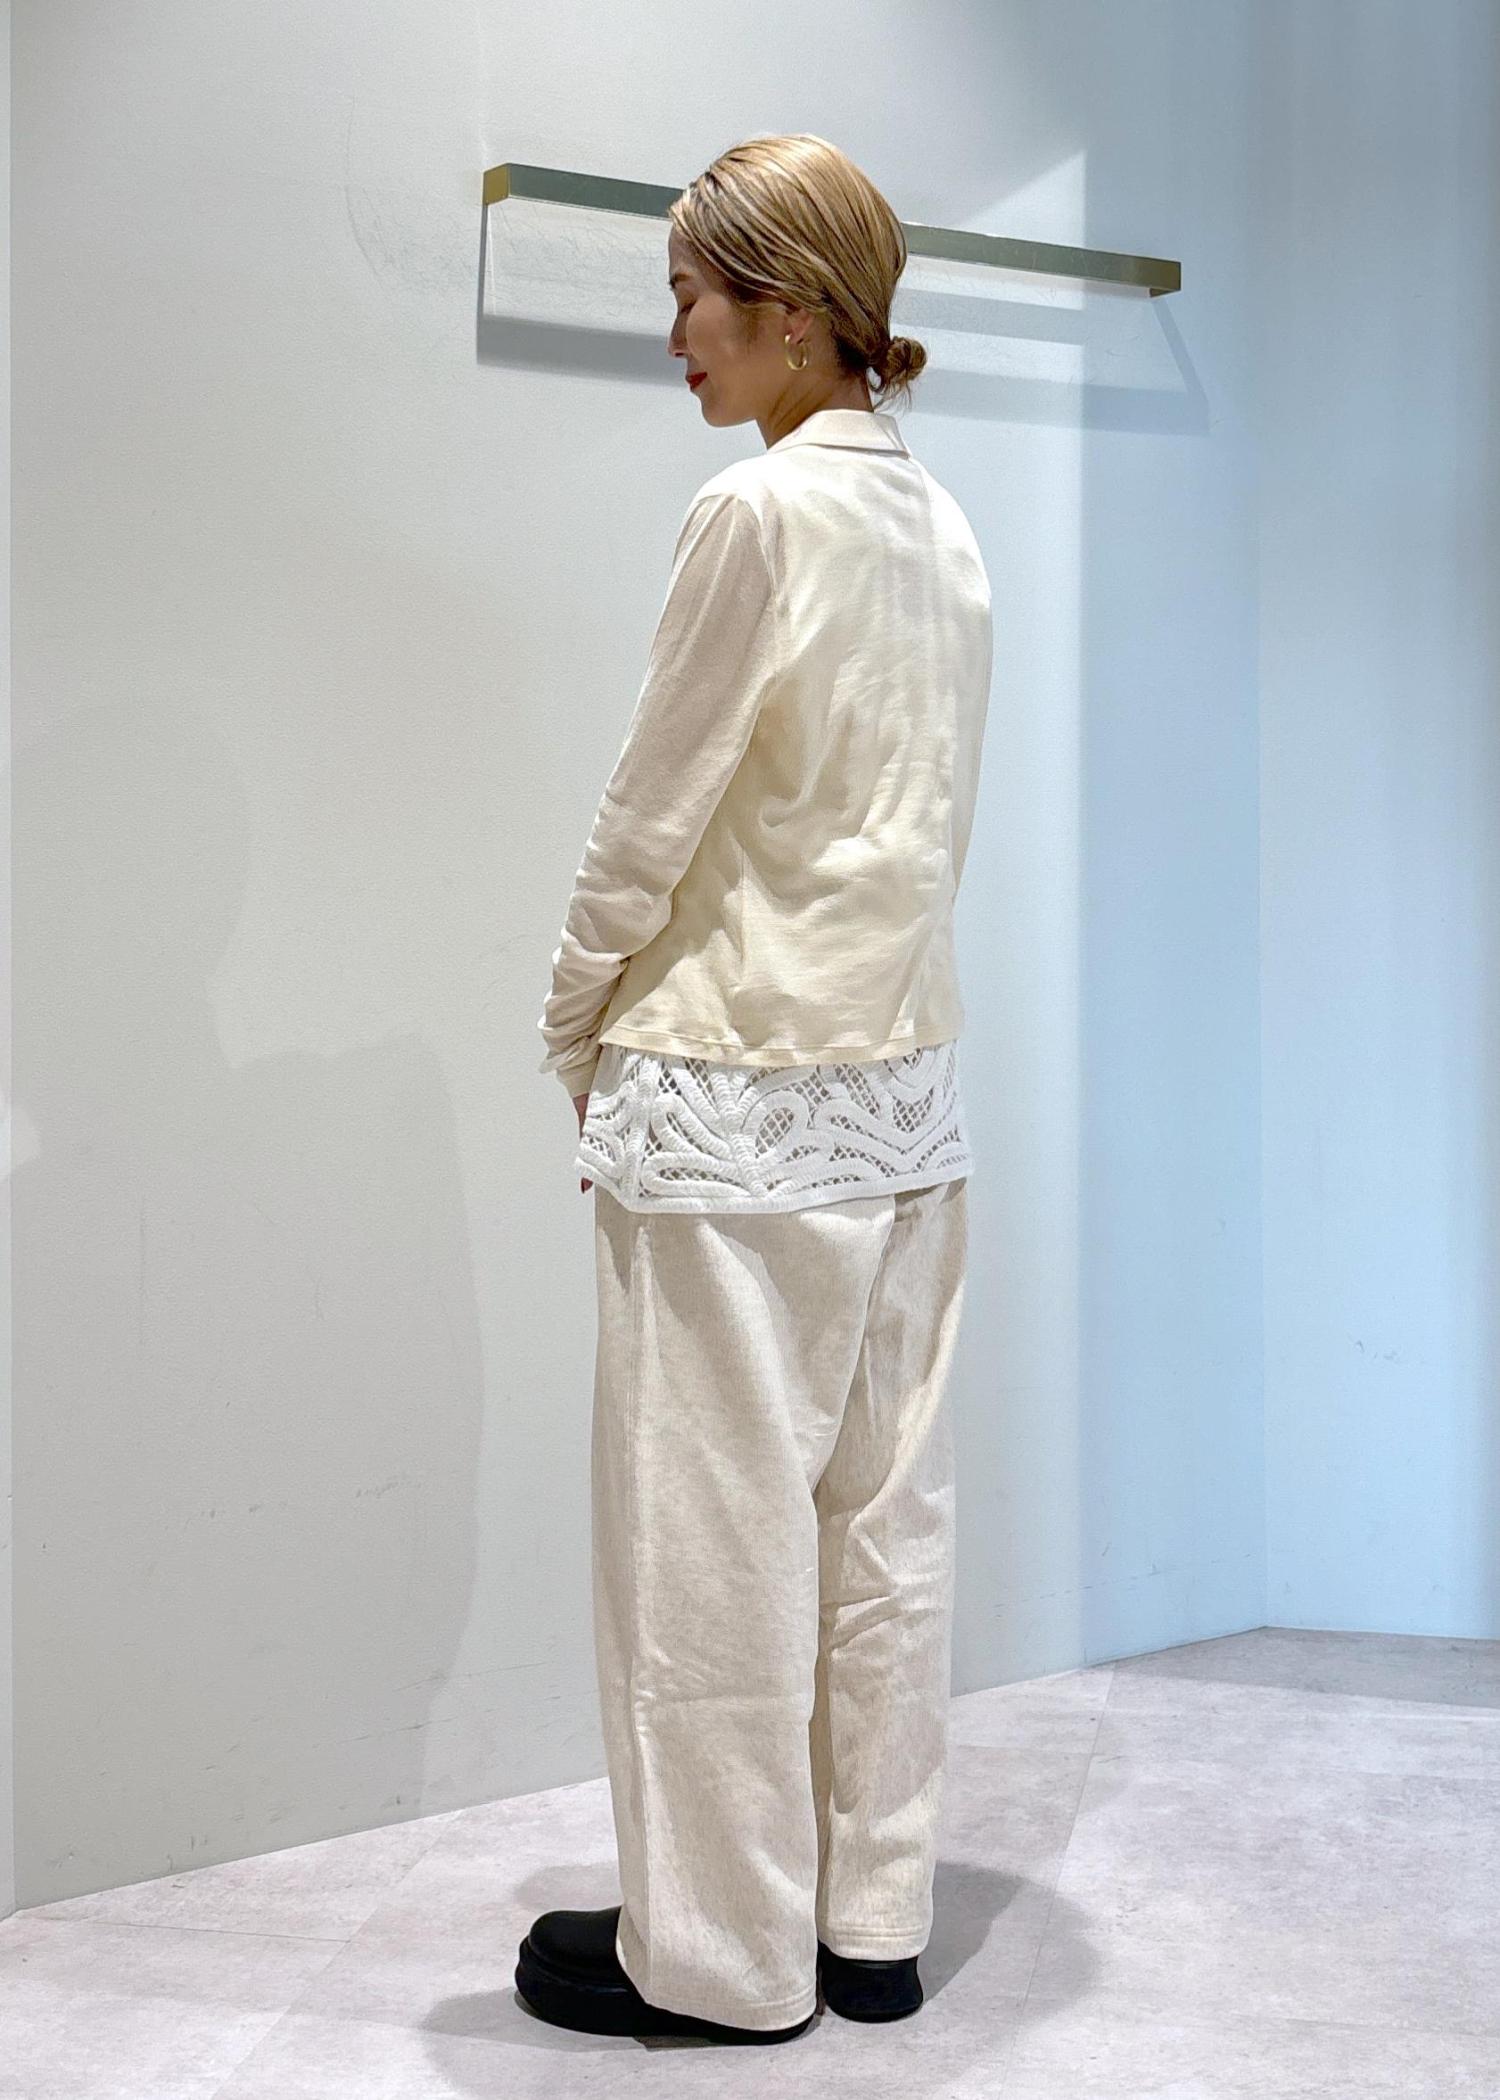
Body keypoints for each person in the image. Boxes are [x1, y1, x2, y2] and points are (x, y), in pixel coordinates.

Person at [519, 131, 993, 2047]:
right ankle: (871, 1923)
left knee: (706, 1554)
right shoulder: (942, 527)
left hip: (728, 1101)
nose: (676, 339)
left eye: (691, 298)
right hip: (904, 1100)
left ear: (792, 312)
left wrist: (573, 1022)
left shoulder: (757, 515)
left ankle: (717, 1958)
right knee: (884, 1536)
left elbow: (654, 812)